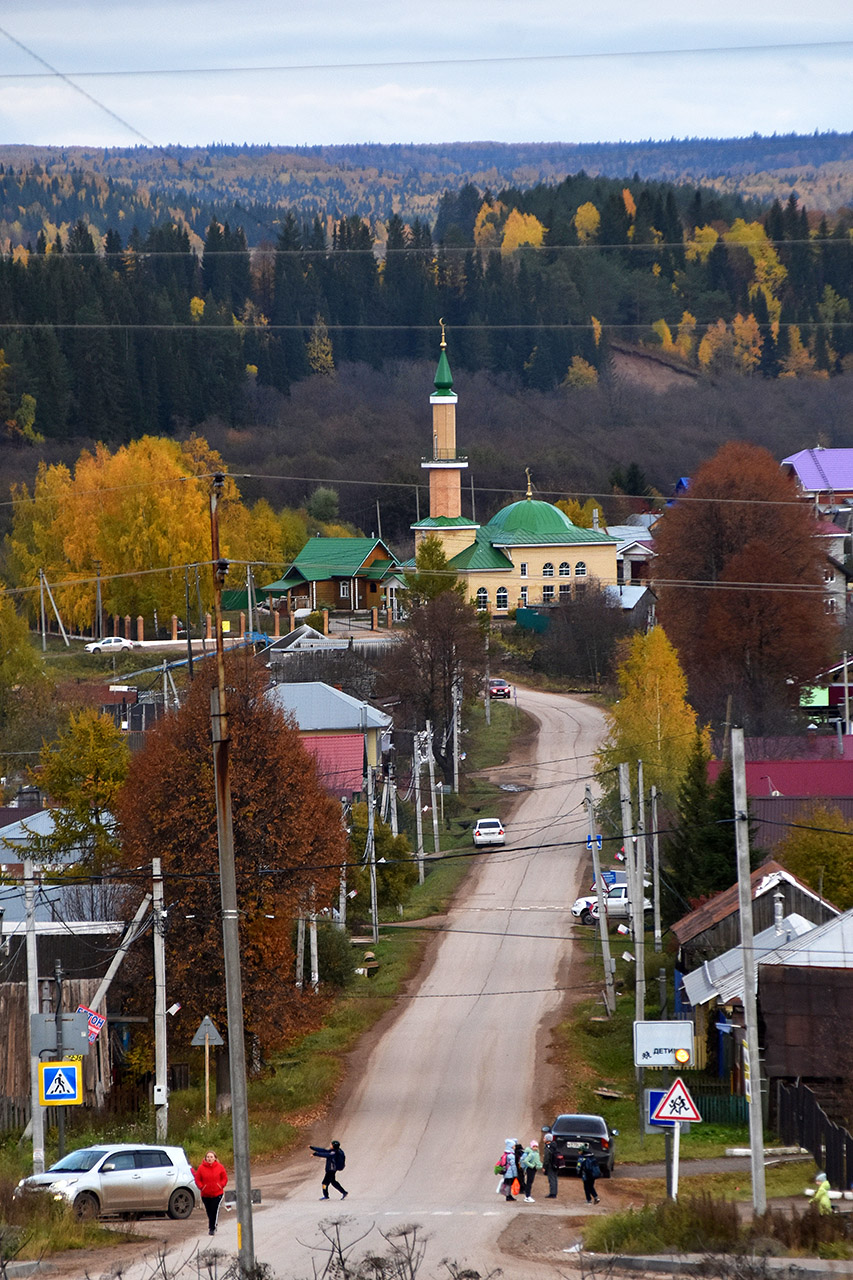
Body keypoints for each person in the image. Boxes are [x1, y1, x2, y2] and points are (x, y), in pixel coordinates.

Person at [193, 1150, 228, 1236]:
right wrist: (202, 1187)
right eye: (208, 1157)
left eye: (211, 1157)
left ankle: (212, 1228)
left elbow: (224, 1178)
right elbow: (197, 1179)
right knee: (209, 1211)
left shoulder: (220, 1167)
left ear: (215, 1158)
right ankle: (213, 1223)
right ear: (205, 1158)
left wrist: (220, 1185)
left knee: (214, 1210)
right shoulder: (201, 1168)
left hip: (217, 1194)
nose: (209, 1159)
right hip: (205, 1194)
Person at [542, 1132, 559, 1199]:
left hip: (550, 1165)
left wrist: (544, 1167)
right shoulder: (554, 1146)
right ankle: (554, 1192)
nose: (543, 1139)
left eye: (544, 1138)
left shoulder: (548, 1147)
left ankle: (552, 1193)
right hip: (555, 1164)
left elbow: (546, 1158)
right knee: (555, 1179)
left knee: (551, 1179)